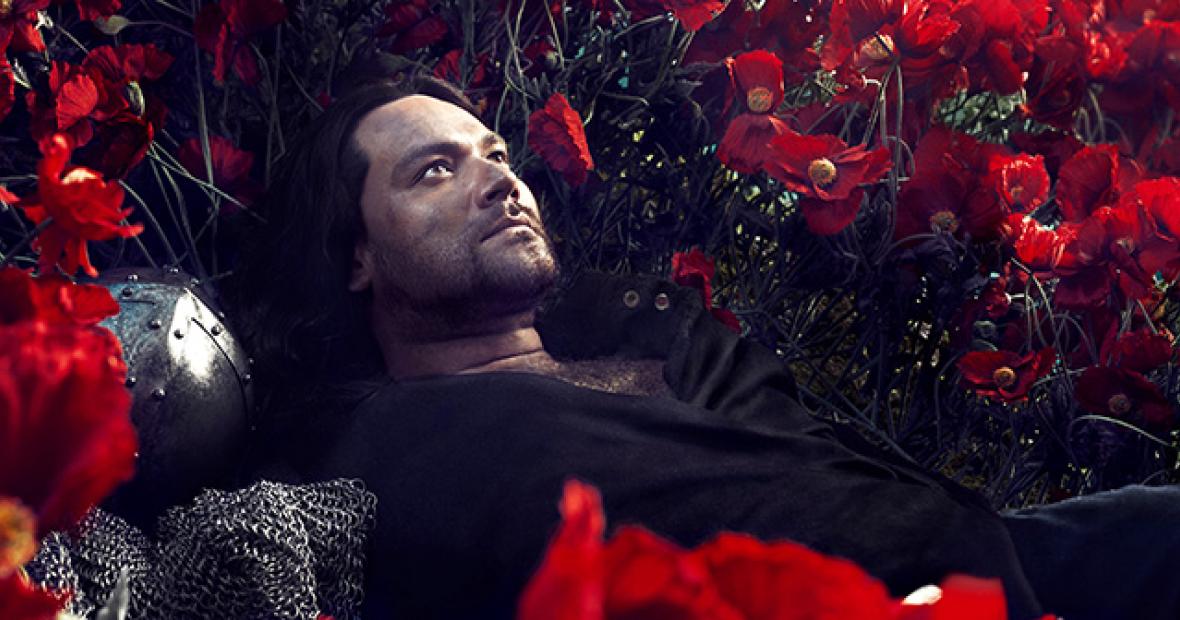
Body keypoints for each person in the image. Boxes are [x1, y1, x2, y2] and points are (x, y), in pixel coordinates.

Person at [230, 76, 1180, 620]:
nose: (499, 182)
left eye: (497, 156)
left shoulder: (663, 339)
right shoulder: (376, 453)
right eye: (435, 171)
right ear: (355, 256)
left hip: (1013, 558)